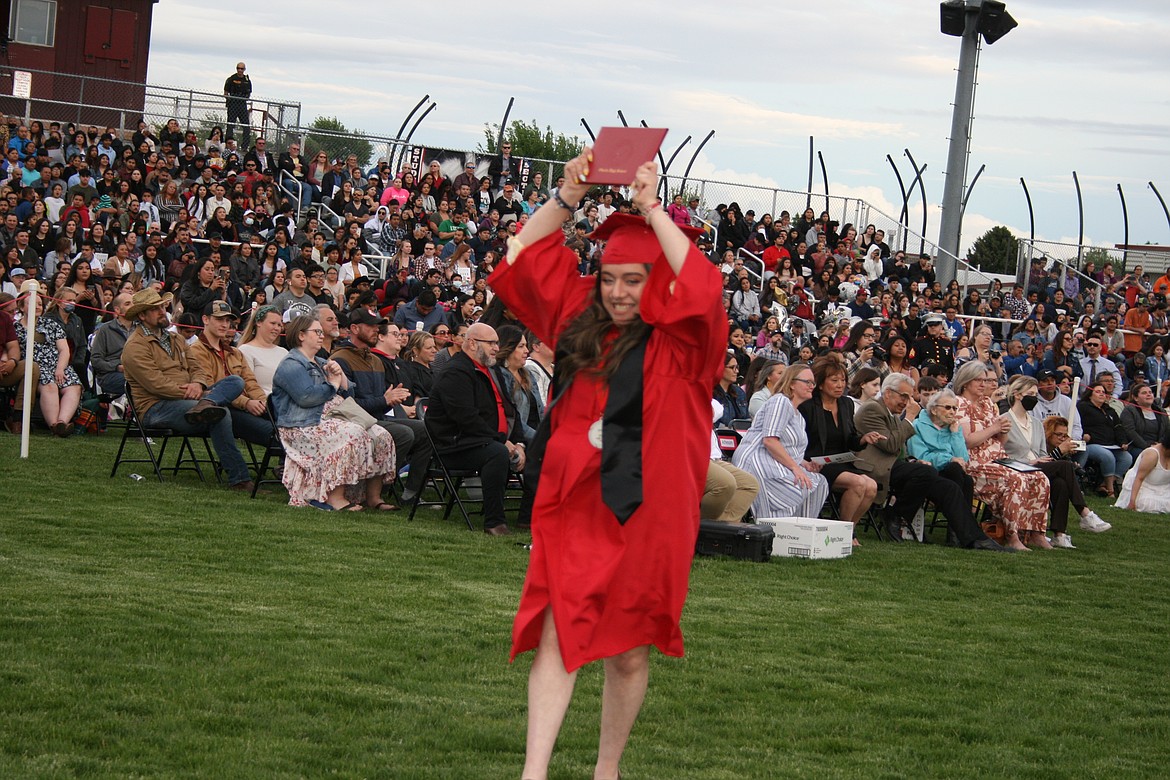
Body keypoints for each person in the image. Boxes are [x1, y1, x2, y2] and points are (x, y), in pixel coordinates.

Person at [487, 149, 725, 780]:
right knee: (558, 633)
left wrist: (649, 207)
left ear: (659, 282)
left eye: (634, 278)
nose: (618, 291)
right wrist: (567, 195)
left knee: (627, 651)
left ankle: (606, 769)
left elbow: (704, 287)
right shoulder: (579, 323)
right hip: (577, 502)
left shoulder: (689, 344)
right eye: (610, 276)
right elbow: (519, 260)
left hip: (651, 511)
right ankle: (532, 772)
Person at [120, 288, 255, 491]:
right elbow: (156, 385)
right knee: (220, 413)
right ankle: (239, 478)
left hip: (191, 399)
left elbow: (197, 369)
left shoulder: (176, 339)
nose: (162, 311)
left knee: (235, 381)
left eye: (162, 306)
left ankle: (206, 406)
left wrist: (199, 385)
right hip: (155, 407)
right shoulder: (135, 347)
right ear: (142, 315)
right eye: (155, 309)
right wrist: (195, 392)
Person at [854, 373, 1006, 550]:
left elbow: (961, 458)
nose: (907, 401)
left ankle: (973, 538)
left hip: (903, 466)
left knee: (952, 485)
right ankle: (896, 514)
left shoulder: (893, 414)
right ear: (888, 393)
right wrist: (909, 418)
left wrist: (953, 435)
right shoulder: (873, 409)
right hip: (876, 468)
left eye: (910, 397)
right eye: (904, 396)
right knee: (935, 471)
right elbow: (889, 444)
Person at [270, 315, 397, 511]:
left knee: (381, 435)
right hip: (303, 424)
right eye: (317, 332)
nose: (322, 336)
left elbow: (349, 394)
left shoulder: (322, 362)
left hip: (332, 418)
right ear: (301, 335)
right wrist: (332, 385)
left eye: (322, 332)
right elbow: (306, 398)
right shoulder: (291, 364)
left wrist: (342, 379)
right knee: (352, 434)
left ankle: (373, 497)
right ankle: (334, 497)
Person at [424, 321, 526, 535]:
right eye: (491, 343)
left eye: (497, 343)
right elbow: (466, 418)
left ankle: (527, 518)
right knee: (497, 453)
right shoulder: (456, 372)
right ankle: (494, 521)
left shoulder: (492, 371)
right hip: (456, 444)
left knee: (543, 450)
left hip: (486, 439)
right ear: (471, 343)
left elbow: (511, 410)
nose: (497, 348)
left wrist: (519, 443)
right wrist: (501, 441)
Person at [1003, 375, 1110, 548]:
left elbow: (1045, 455)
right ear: (1017, 394)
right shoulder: (1004, 421)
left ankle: (1059, 533)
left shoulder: (1037, 423)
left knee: (1060, 482)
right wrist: (1033, 461)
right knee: (1065, 466)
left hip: (1039, 468)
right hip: (1018, 468)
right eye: (1030, 393)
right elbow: (1002, 455)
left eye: (1035, 393)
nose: (1034, 397)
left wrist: (1048, 457)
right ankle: (1085, 513)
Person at [954, 361, 1051, 550]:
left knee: (1040, 477)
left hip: (999, 458)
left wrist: (1004, 431)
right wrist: (995, 428)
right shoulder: (959, 404)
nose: (983, 384)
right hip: (975, 462)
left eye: (985, 380)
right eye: (978, 380)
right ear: (966, 382)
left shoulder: (988, 403)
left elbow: (1000, 441)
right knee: (1015, 479)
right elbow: (968, 441)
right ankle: (1012, 536)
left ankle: (1036, 533)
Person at [798, 356, 881, 545]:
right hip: (815, 462)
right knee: (858, 484)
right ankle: (844, 533)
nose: (840, 385)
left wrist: (863, 439)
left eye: (843, 380)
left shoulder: (846, 404)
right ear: (820, 383)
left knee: (871, 486)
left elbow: (851, 439)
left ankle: (847, 530)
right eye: (834, 380)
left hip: (841, 460)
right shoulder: (808, 406)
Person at [732, 363, 830, 518]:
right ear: (791, 383)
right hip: (758, 460)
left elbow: (789, 448)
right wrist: (795, 468)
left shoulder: (799, 416)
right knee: (798, 486)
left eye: (813, 383)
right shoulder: (780, 401)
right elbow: (770, 440)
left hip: (777, 462)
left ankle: (800, 532)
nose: (812, 386)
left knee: (819, 482)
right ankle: (778, 529)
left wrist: (804, 464)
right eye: (807, 382)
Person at [187, 300, 273, 446]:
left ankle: (285, 465)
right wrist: (247, 403)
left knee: (288, 424)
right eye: (219, 319)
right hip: (223, 408)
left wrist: (262, 403)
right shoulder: (196, 350)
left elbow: (251, 382)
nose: (225, 324)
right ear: (205, 319)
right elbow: (212, 388)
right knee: (273, 432)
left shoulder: (235, 352)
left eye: (227, 320)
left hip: (245, 406)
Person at [12, 294, 81, 437]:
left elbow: (64, 350)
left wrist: (60, 369)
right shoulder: (16, 328)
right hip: (35, 367)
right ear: (21, 307)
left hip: (58, 365)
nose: (37, 307)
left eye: (39, 304)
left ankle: (62, 422)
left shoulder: (51, 324)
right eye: (32, 304)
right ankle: (54, 426)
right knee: (50, 385)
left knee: (73, 386)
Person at [702, 399, 759, 523]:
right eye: (808, 382)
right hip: (692, 456)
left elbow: (716, 409)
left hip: (713, 456)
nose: (811, 386)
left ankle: (721, 529)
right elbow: (709, 412)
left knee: (749, 484)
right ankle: (700, 526)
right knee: (725, 483)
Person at [1075, 379, 1134, 497]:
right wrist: (1085, 435)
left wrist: (1123, 442)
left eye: (1103, 391)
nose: (1102, 394)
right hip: (1092, 444)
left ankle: (1103, 484)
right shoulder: (1082, 407)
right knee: (1108, 456)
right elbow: (1078, 424)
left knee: (1126, 458)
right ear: (1090, 394)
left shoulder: (1110, 410)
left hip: (1112, 444)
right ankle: (1110, 490)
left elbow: (1118, 427)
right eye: (1098, 391)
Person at [1115, 428, 1170, 513]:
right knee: (1146, 504)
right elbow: (1139, 478)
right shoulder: (1152, 454)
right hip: (1143, 487)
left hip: (1163, 489)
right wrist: (1132, 501)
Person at [237, 305, 288, 395]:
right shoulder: (245, 350)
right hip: (262, 403)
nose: (277, 328)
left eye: (279, 325)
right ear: (259, 323)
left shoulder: (284, 352)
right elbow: (247, 385)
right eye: (273, 323)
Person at [90, 292, 133, 396]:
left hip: (137, 371)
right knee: (137, 381)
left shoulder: (141, 328)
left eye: (133, 303)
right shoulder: (105, 330)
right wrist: (117, 366)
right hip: (111, 374)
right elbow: (96, 360)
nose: (132, 307)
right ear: (117, 310)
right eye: (127, 304)